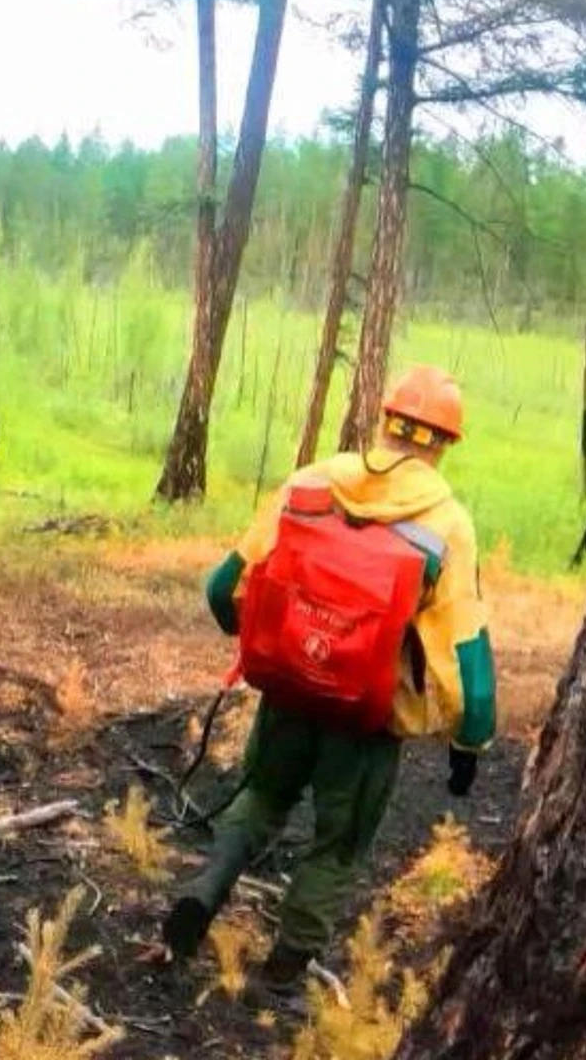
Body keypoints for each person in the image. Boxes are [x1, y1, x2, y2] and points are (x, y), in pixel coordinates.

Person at [163, 364, 496, 994]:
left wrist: (272, 645)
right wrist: (468, 742)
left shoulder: (313, 481)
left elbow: (220, 588)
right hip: (365, 724)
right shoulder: (447, 525)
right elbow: (467, 652)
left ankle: (207, 890)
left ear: (385, 421)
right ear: (445, 443)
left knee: (260, 797)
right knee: (337, 844)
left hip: (288, 691)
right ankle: (284, 972)